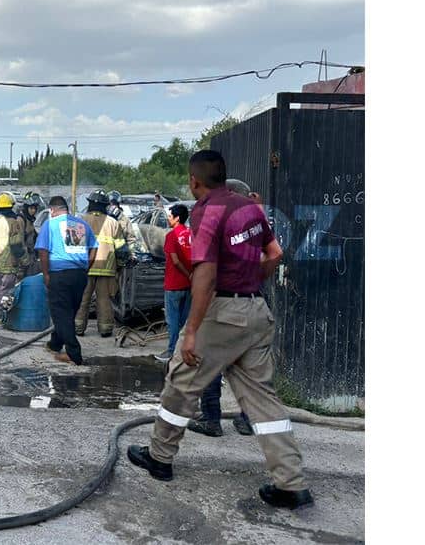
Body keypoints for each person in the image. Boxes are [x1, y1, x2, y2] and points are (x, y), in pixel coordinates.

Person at [127, 150, 313, 510]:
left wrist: (192, 330)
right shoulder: (251, 209)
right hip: (257, 311)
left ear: (194, 181)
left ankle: (159, 458)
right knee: (262, 400)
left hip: (223, 312)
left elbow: (206, 273)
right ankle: (291, 484)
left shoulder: (206, 211)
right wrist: (247, 286)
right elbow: (274, 254)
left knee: (181, 381)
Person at [187, 178, 257, 437]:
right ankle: (249, 420)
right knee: (248, 367)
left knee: (209, 363)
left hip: (221, 304)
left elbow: (206, 272)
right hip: (253, 303)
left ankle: (211, 419)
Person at [35, 195, 97, 365]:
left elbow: (43, 251)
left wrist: (46, 274)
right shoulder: (82, 224)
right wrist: (86, 268)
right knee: (67, 312)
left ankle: (73, 353)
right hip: (79, 275)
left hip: (60, 274)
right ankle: (55, 343)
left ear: (52, 210)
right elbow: (94, 248)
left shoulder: (51, 224)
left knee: (61, 313)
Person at [74, 190, 126, 338]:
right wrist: (120, 265)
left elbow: (73, 247)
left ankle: (78, 327)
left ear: (90, 204)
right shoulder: (113, 223)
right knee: (104, 299)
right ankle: (105, 329)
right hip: (107, 268)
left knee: (83, 298)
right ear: (105, 205)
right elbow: (121, 249)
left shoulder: (80, 221)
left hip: (85, 267)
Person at [155, 203, 192, 362]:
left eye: (170, 216)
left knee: (172, 321)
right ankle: (182, 351)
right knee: (184, 321)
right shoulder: (191, 234)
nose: (168, 219)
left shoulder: (171, 236)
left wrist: (187, 273)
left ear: (177, 218)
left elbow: (175, 261)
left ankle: (171, 351)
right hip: (189, 285)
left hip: (174, 284)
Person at [0, 191, 26, 313]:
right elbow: (17, 246)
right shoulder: (13, 223)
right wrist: (25, 261)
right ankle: (5, 314)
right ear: (10, 207)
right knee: (7, 290)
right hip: (9, 264)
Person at [20, 192, 46, 276]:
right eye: (31, 208)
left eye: (35, 208)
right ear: (26, 207)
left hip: (31, 258)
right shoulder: (21, 220)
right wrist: (24, 261)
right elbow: (19, 242)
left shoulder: (32, 220)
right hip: (23, 260)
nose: (33, 211)